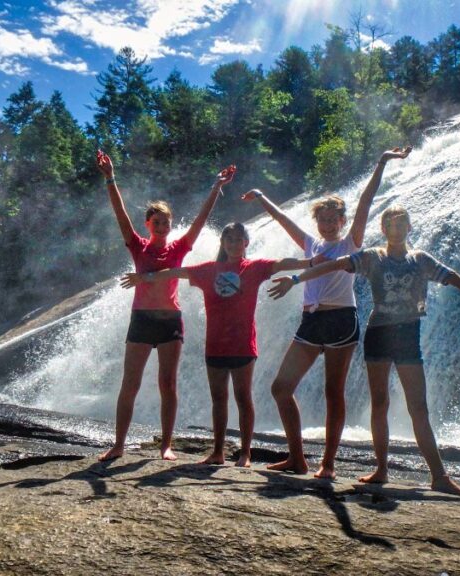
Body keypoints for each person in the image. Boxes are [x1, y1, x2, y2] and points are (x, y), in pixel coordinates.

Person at [268, 206, 460, 497]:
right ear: (383, 229)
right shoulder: (372, 257)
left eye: (401, 224)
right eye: (390, 225)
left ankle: (439, 476)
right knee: (380, 403)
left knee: (418, 407)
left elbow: (456, 280)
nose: (396, 229)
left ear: (409, 228)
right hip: (378, 334)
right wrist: (296, 280)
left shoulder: (421, 260)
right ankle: (381, 469)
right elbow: (335, 265)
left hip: (408, 336)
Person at [241, 146, 412, 479]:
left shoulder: (350, 243)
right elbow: (283, 219)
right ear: (317, 221)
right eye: (324, 219)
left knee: (333, 392)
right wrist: (262, 198)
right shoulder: (311, 244)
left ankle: (328, 464)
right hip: (311, 321)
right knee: (281, 387)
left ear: (342, 222)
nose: (329, 224)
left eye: (335, 219)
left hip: (340, 321)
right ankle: (297, 458)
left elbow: (365, 202)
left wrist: (380, 162)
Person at [120, 223, 311, 467]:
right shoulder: (208, 270)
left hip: (243, 344)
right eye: (228, 239)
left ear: (246, 243)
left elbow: (284, 263)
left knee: (243, 398)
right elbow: (174, 272)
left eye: (238, 239)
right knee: (218, 398)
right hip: (215, 345)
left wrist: (312, 263)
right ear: (223, 243)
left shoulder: (254, 267)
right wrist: (143, 278)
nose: (233, 244)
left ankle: (245, 453)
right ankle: (218, 451)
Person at [96, 150, 235, 462]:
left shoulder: (178, 248)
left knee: (168, 384)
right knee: (129, 383)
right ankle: (119, 444)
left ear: (171, 225)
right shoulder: (137, 245)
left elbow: (200, 222)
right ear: (148, 224)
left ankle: (166, 445)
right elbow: (119, 214)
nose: (161, 226)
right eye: (156, 222)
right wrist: (110, 178)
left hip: (171, 320)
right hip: (142, 320)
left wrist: (216, 187)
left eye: (166, 222)